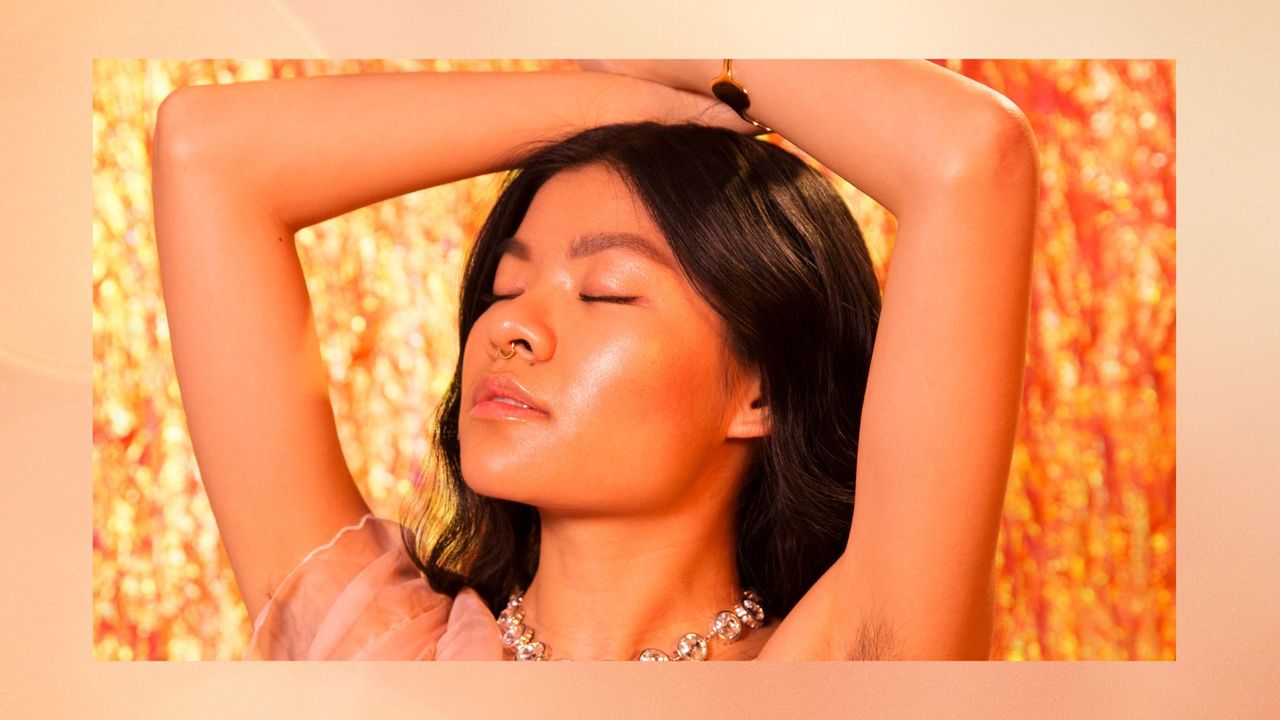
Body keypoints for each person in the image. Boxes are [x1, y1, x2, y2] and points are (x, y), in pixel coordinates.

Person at [151, 60, 1038, 661]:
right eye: (504, 286)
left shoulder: (846, 668)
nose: (512, 328)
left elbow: (970, 158)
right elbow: (206, 152)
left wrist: (696, 57)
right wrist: (618, 104)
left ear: (762, 390)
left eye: (606, 291)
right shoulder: (378, 651)